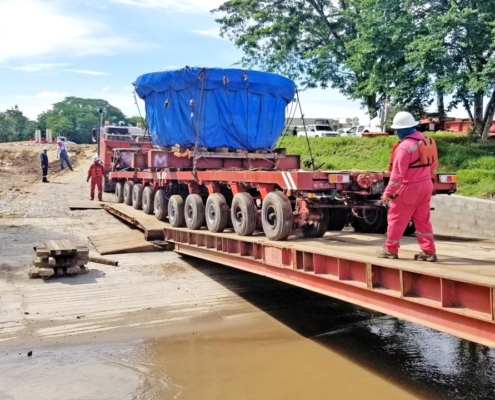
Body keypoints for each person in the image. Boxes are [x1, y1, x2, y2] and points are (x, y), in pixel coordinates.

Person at [376, 111, 438, 262]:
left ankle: (390, 250)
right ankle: (429, 251)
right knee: (423, 220)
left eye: (397, 130)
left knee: (396, 218)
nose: (397, 133)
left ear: (402, 129)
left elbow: (397, 176)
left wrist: (387, 193)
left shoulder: (404, 147)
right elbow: (433, 165)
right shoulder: (426, 141)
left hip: (409, 188)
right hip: (426, 185)